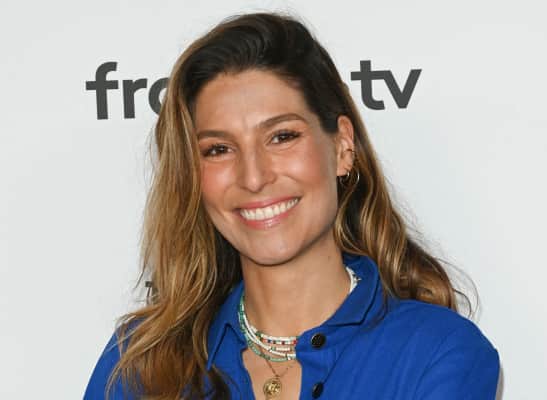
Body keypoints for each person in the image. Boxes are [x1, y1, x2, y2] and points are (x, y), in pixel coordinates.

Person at [84, 12, 500, 400]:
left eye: (282, 137)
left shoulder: (437, 353)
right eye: (218, 149)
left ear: (342, 147)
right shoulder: (140, 363)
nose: (253, 177)